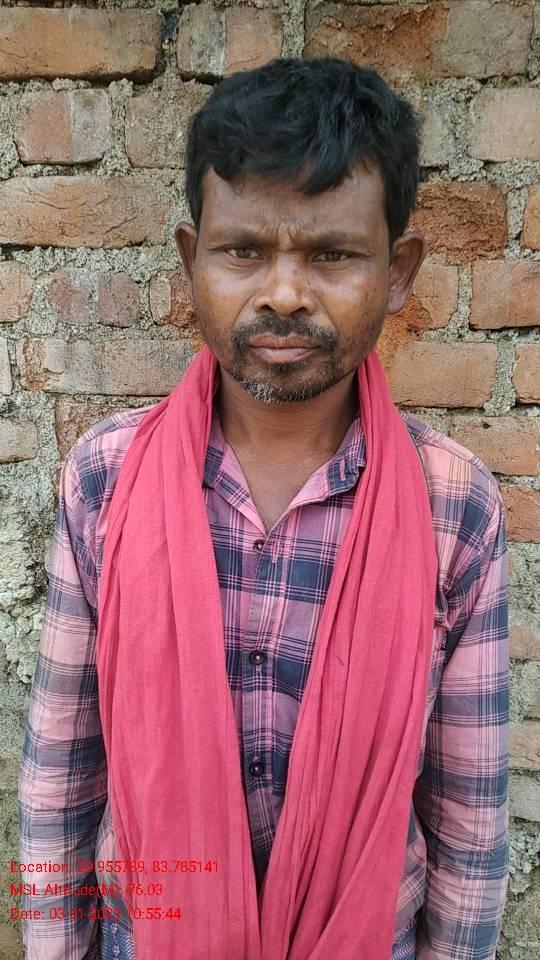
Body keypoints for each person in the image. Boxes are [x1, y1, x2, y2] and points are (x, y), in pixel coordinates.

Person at [18, 57, 509, 960]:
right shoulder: (106, 478)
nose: (284, 293)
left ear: (398, 271)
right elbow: (60, 782)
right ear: (190, 260)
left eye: (332, 254)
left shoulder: (455, 505)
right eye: (243, 250)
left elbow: (469, 824)